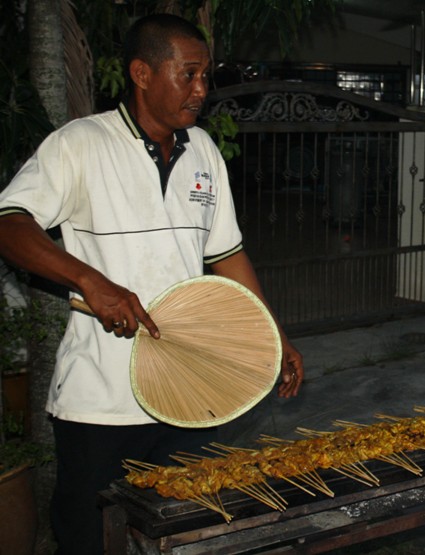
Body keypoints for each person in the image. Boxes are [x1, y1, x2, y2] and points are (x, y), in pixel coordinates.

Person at [0, 14, 304, 555]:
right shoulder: (80, 145)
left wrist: (271, 335)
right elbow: (9, 224)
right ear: (142, 73)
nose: (201, 89)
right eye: (188, 74)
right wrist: (90, 280)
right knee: (91, 539)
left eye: (206, 76)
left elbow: (227, 256)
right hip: (102, 402)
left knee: (183, 535)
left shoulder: (204, 152)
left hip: (188, 394)